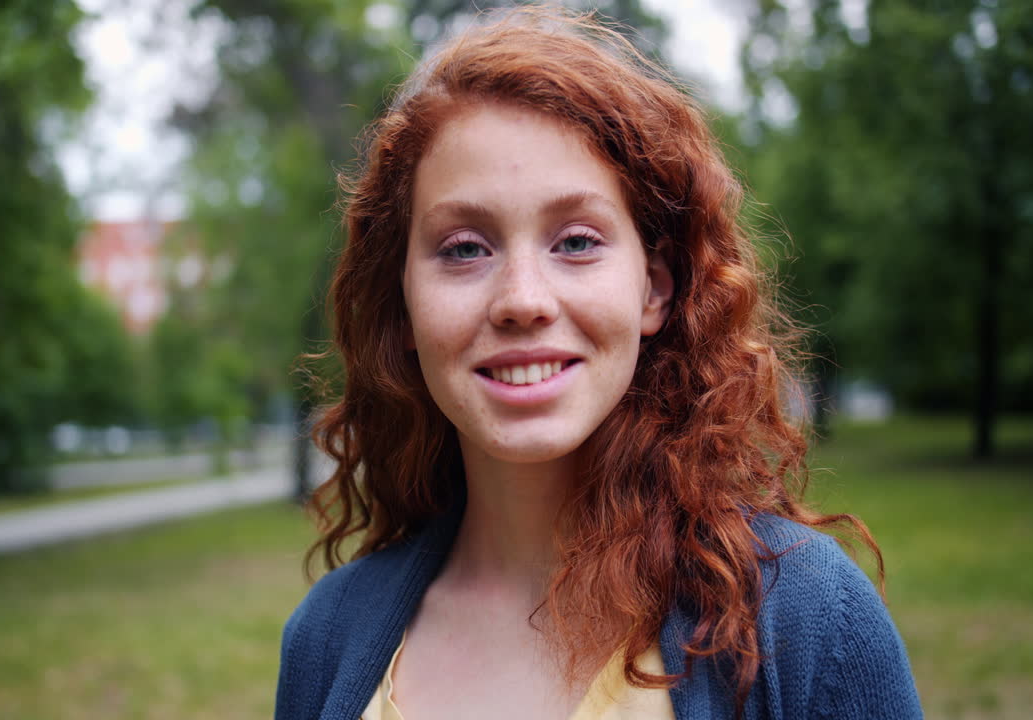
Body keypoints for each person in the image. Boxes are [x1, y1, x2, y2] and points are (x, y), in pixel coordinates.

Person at [276, 6, 921, 720]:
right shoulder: (325, 639)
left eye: (576, 241)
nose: (522, 300)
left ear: (654, 288)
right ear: (403, 309)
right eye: (464, 248)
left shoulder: (806, 622)